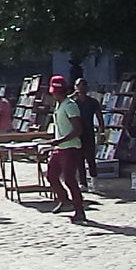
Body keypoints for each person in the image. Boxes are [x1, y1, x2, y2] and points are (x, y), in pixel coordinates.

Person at [44, 75, 87, 223]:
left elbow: (78, 129)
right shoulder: (59, 105)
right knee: (51, 175)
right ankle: (64, 200)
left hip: (71, 148)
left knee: (69, 179)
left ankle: (79, 210)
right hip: (60, 148)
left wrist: (59, 140)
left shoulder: (70, 105)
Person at [73, 78, 105, 190]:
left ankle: (94, 180)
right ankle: (83, 183)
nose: (81, 88)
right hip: (77, 133)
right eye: (79, 85)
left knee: (90, 158)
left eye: (83, 85)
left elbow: (99, 117)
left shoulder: (92, 102)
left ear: (87, 88)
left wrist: (102, 131)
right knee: (79, 159)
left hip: (89, 132)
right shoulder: (73, 102)